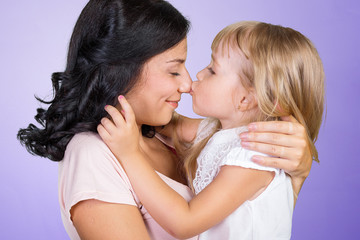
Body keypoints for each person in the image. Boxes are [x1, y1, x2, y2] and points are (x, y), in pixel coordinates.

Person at [16, 0, 314, 238]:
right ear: (122, 72)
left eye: (211, 69)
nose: (187, 83)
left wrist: (296, 175)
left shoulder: (170, 132)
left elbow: (257, 219)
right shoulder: (94, 154)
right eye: (174, 70)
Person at [98, 21, 324, 239]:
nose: (198, 75)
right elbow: (173, 126)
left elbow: (184, 222)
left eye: (212, 70)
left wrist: (129, 154)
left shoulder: (253, 158)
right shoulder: (219, 131)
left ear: (246, 99)